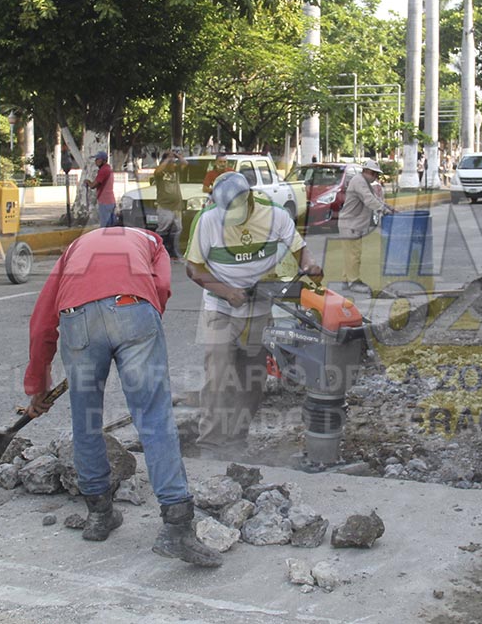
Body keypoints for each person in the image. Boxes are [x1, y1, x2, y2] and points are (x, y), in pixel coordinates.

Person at [23, 226, 222, 567]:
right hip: (132, 307)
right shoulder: (152, 242)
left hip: (76, 318)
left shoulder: (74, 248)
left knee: (85, 420)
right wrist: (138, 325)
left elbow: (43, 322)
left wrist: (37, 384)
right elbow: (160, 287)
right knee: (154, 416)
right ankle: (177, 527)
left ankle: (99, 514)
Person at [185, 172, 322, 456]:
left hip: (259, 309)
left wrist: (310, 265)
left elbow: (301, 251)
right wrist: (226, 291)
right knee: (218, 376)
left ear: (248, 199)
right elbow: (194, 270)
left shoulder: (275, 216)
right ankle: (210, 443)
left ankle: (236, 440)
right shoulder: (209, 220)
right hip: (220, 309)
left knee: (253, 379)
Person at [340, 160, 395, 294]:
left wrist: (387, 207)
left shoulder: (363, 182)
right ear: (368, 172)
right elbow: (369, 199)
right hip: (350, 224)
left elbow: (375, 197)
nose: (375, 177)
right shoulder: (359, 181)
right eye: (375, 174)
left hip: (352, 224)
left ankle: (346, 279)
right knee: (354, 255)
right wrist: (383, 210)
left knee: (350, 254)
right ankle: (353, 281)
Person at [151, 150, 187, 259]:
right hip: (164, 205)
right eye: (172, 163)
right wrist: (167, 159)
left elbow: (185, 163)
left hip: (176, 206)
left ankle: (174, 251)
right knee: (163, 229)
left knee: (178, 228)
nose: (174, 164)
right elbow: (157, 171)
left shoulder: (176, 171)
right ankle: (158, 250)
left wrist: (176, 156)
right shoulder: (161, 173)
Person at [84, 151, 116, 227]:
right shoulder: (108, 169)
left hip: (105, 202)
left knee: (105, 227)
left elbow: (93, 185)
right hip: (110, 201)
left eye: (98, 159)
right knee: (111, 226)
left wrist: (87, 182)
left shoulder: (103, 170)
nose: (96, 161)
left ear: (104, 160)